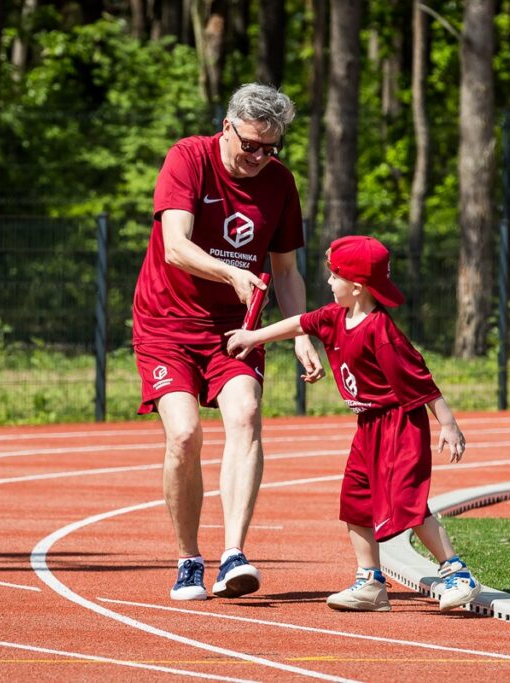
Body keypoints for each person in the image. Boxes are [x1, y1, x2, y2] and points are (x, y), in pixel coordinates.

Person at [132, 83, 325, 602]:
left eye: (272, 148)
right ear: (227, 127)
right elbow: (175, 246)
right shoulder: (188, 159)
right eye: (251, 146)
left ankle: (233, 554)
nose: (260, 158)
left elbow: (285, 270)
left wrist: (301, 330)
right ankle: (187, 558)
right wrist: (232, 274)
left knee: (244, 416)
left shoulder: (280, 184)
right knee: (185, 436)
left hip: (236, 331)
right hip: (167, 324)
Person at [226, 235, 482, 612]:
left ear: (357, 287)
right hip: (367, 426)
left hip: (398, 425)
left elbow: (420, 380)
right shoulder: (334, 317)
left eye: (334, 276)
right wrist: (254, 336)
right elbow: (298, 323)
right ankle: (371, 582)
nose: (329, 283)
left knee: (407, 504)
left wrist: (448, 424)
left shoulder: (381, 331)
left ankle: (457, 573)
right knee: (356, 502)